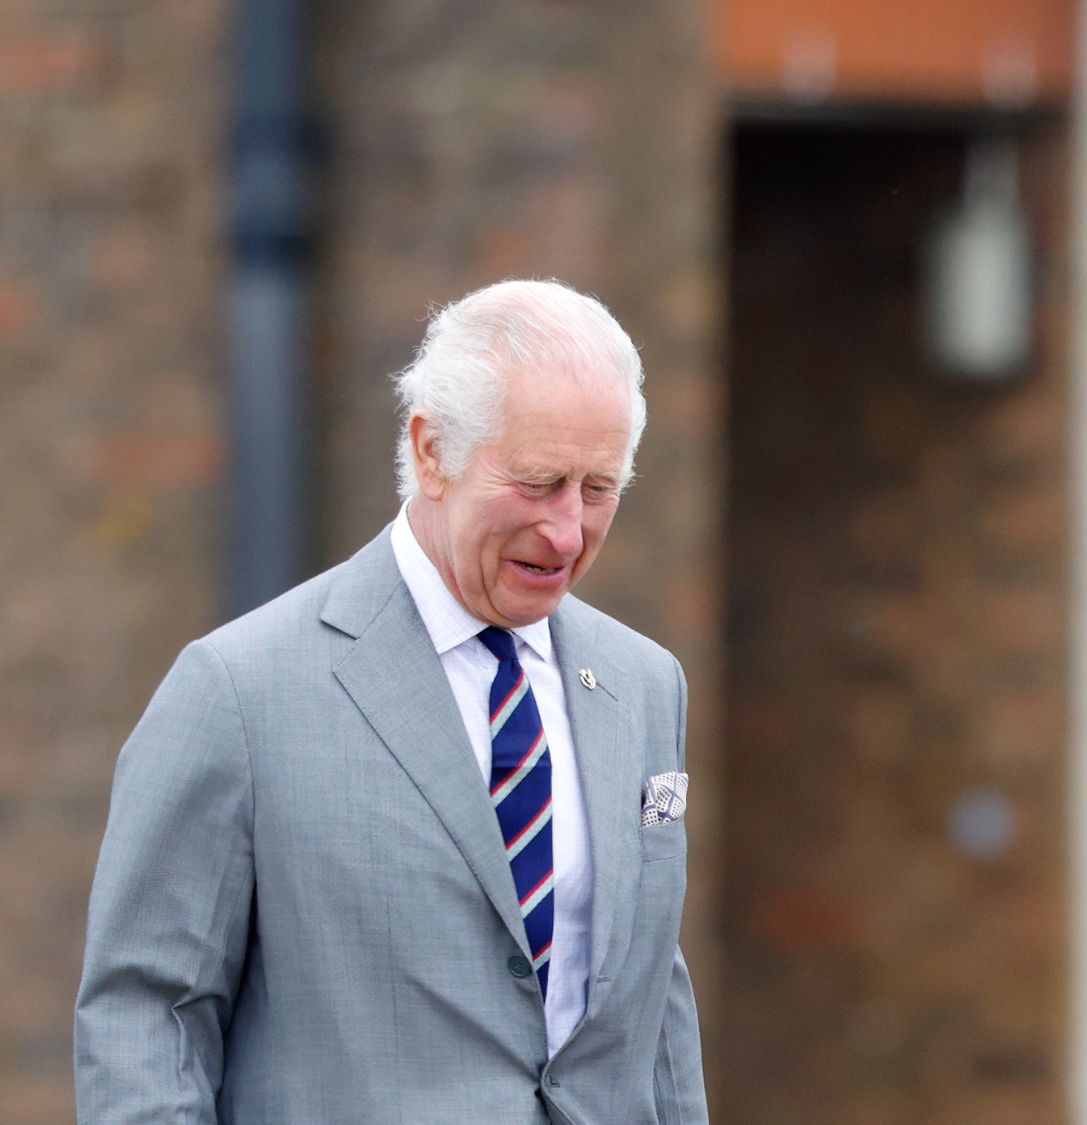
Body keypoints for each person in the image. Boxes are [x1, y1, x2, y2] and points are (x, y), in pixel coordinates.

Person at [75, 279, 708, 1123]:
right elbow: (144, 1019)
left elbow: (651, 1016)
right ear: (432, 449)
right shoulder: (238, 690)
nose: (566, 531)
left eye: (598, 490)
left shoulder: (645, 682)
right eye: (537, 481)